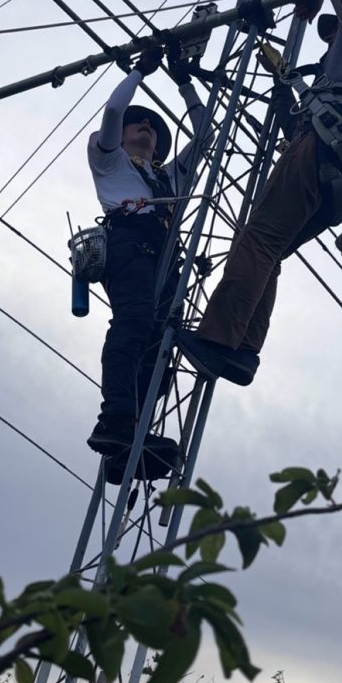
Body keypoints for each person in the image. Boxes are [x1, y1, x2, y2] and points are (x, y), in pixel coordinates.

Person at [177, 0, 342, 386]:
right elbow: (298, 128)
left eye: (332, 32)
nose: (329, 39)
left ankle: (217, 341)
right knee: (271, 251)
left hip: (331, 149)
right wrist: (284, 86)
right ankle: (243, 351)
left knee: (258, 239)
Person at [87, 44, 211, 481]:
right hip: (129, 245)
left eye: (154, 129)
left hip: (163, 256)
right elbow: (113, 110)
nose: (146, 128)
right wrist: (141, 71)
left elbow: (205, 132)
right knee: (134, 323)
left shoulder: (167, 176)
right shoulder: (109, 160)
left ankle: (132, 431)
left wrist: (184, 81)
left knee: (161, 343)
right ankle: (115, 419)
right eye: (138, 124)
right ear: (121, 135)